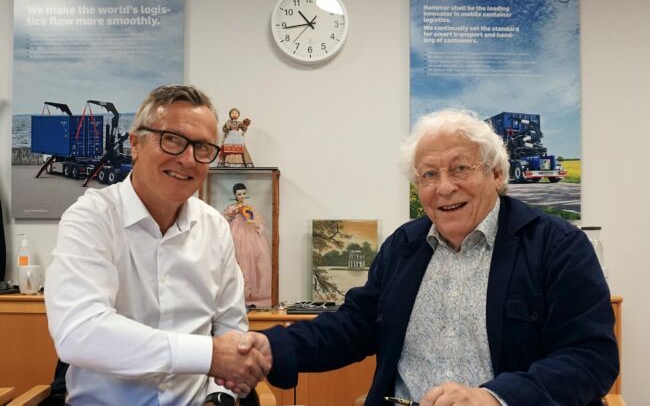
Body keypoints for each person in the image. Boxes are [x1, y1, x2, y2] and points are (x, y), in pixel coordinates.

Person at [234, 109, 619, 406]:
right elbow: (354, 325)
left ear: (497, 174)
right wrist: (272, 347)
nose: (444, 187)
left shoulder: (557, 245)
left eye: (460, 168)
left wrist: (495, 397)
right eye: (429, 175)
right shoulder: (404, 246)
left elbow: (590, 356)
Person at [45, 85, 270, 406]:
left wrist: (219, 396)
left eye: (203, 147)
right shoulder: (92, 217)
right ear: (135, 144)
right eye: (172, 140)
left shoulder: (215, 227)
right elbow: (79, 332)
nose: (188, 159)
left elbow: (231, 327)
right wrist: (208, 355)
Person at [222, 183, 272, 307]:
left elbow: (259, 220)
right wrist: (234, 213)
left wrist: (253, 222)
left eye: (244, 193)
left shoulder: (249, 207)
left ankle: (251, 293)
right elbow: (222, 219)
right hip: (235, 233)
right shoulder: (231, 207)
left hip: (249, 234)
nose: (242, 196)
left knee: (251, 259)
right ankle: (236, 293)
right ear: (235, 195)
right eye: (239, 194)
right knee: (238, 257)